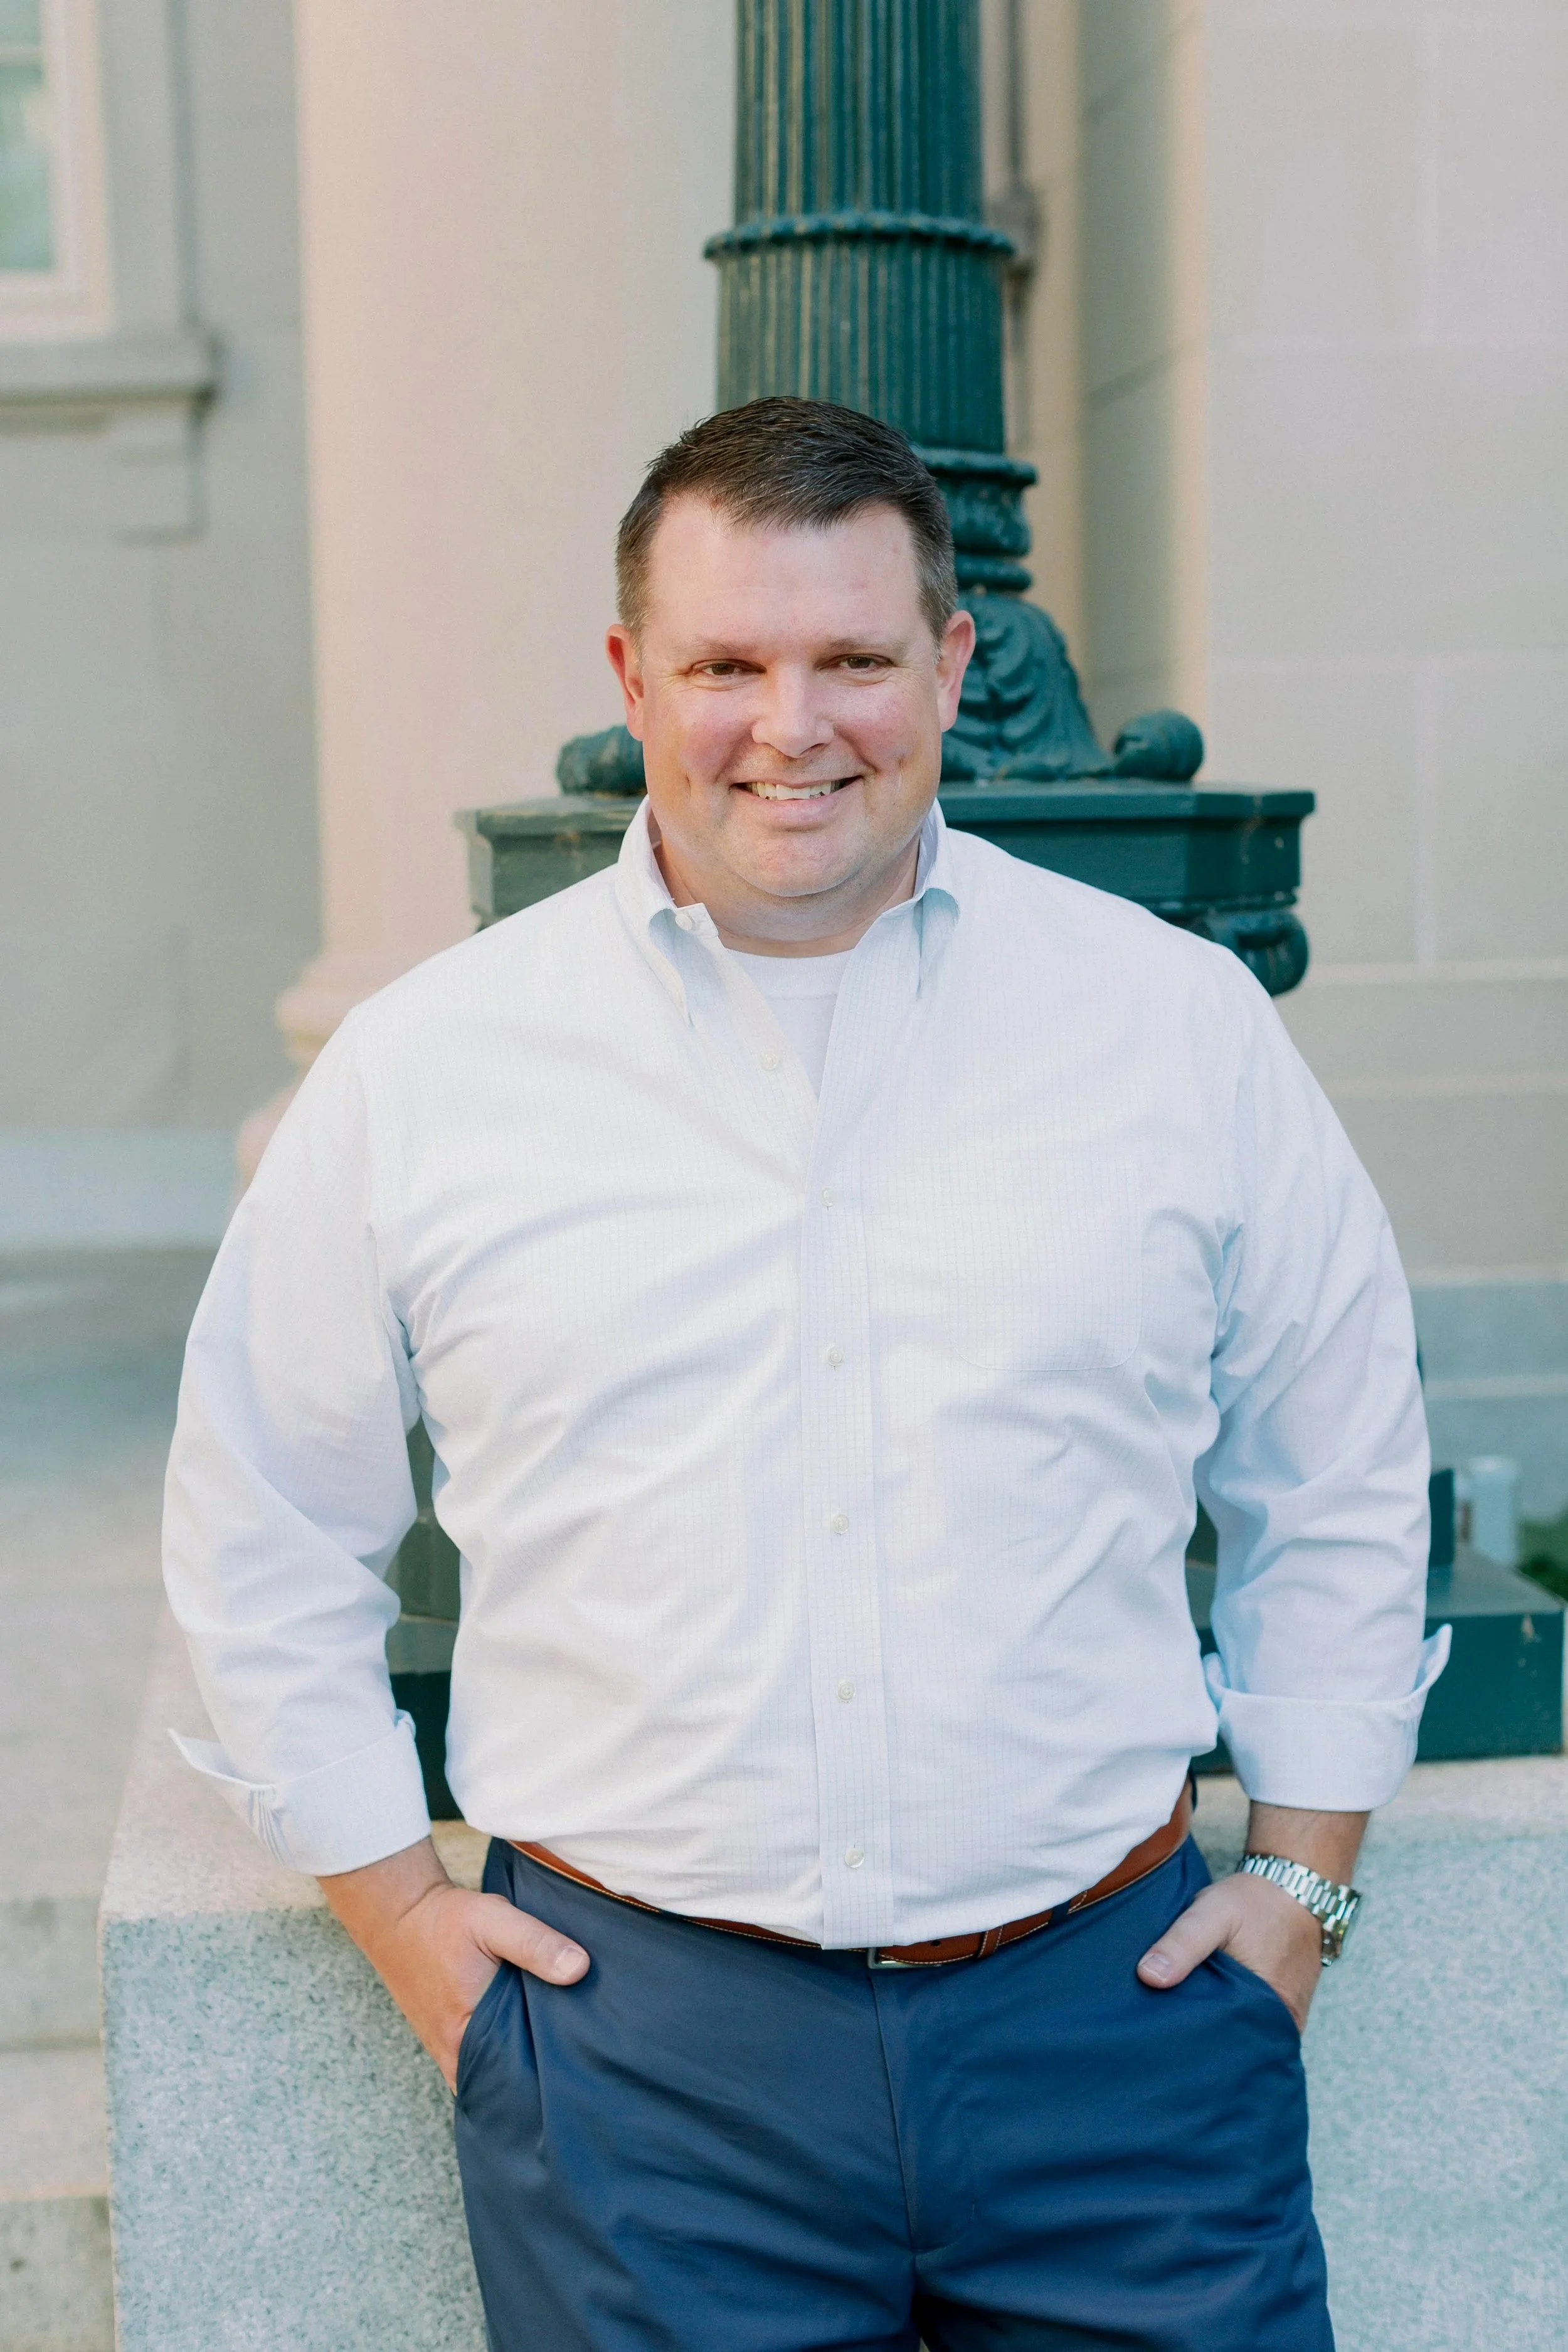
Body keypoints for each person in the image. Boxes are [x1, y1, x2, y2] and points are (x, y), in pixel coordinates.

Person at [164, 396, 1446, 2351]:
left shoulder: (1171, 1024)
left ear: (949, 663)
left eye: (852, 656)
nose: (793, 723)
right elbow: (263, 1516)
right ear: (631, 679)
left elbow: (1337, 1463)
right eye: (725, 667)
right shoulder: (428, 1068)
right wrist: (410, 1926)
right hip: (644, 2073)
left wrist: (1305, 1888)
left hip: (1119, 2038)